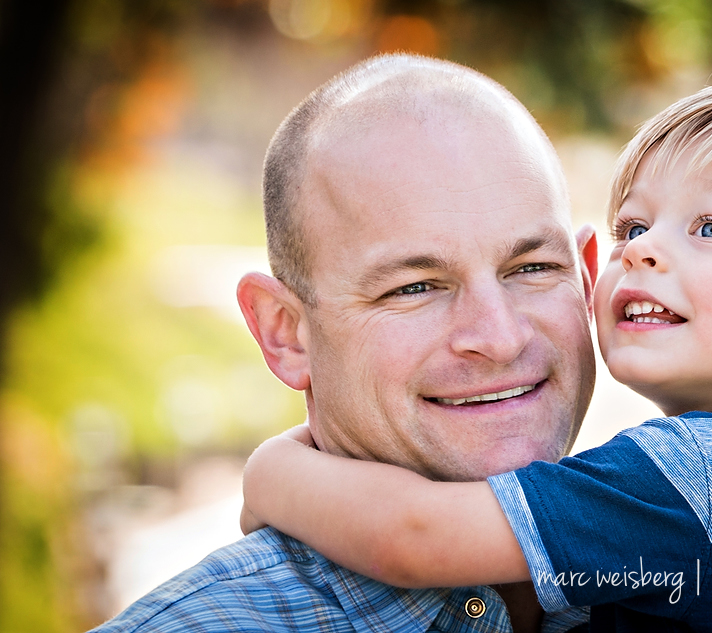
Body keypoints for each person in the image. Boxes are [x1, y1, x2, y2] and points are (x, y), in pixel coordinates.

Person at [242, 79, 712, 632]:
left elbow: (411, 535)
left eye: (711, 226)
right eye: (634, 222)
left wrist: (275, 473)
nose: (639, 248)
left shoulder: (699, 478)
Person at [90, 54, 598, 632]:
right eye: (415, 287)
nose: (501, 339)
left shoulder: (690, 567)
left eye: (531, 268)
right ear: (285, 333)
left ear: (586, 280)